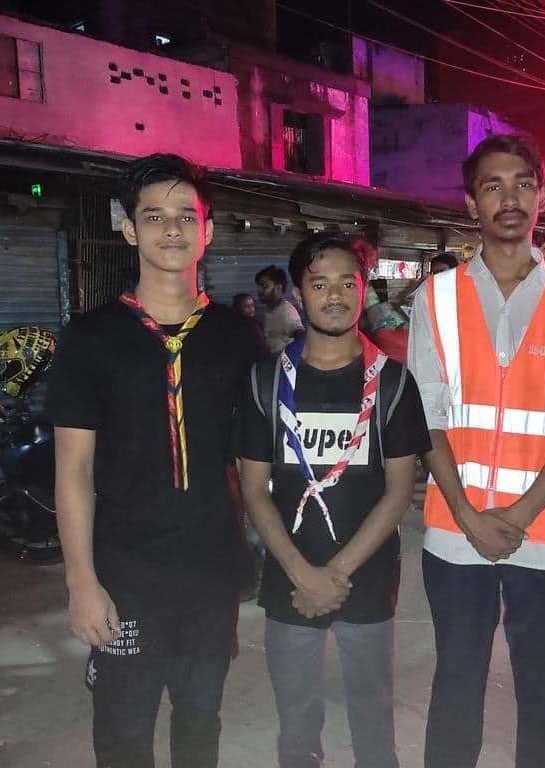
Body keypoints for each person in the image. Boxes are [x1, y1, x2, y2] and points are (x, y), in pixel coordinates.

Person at [47, 154, 263, 768]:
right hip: (125, 576)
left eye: (186, 216)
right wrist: (81, 583)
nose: (172, 229)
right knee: (122, 734)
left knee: (199, 725)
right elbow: (73, 471)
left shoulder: (235, 337)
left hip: (211, 574)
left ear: (207, 230)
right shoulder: (91, 338)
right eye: (154, 216)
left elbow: (254, 460)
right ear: (128, 229)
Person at [408, 134, 545, 768]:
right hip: (454, 532)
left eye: (522, 183)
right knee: (456, 683)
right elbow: (425, 418)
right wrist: (469, 517)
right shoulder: (435, 298)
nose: (510, 198)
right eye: (493, 186)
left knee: (543, 691)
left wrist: (516, 516)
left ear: (543, 195)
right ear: (472, 203)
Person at [237, 233, 431, 768]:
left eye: (348, 282)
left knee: (373, 717)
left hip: (366, 577)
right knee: (296, 721)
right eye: (319, 283)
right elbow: (254, 490)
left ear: (363, 288)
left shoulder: (392, 383)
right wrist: (303, 574)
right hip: (289, 579)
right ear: (298, 292)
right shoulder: (265, 381)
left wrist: (335, 574)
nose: (335, 295)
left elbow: (398, 492)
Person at [257, 265, 305, 353]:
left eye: (265, 286)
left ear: (278, 288)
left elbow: (301, 337)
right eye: (259, 286)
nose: (259, 290)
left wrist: (290, 358)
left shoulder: (286, 312)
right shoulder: (271, 310)